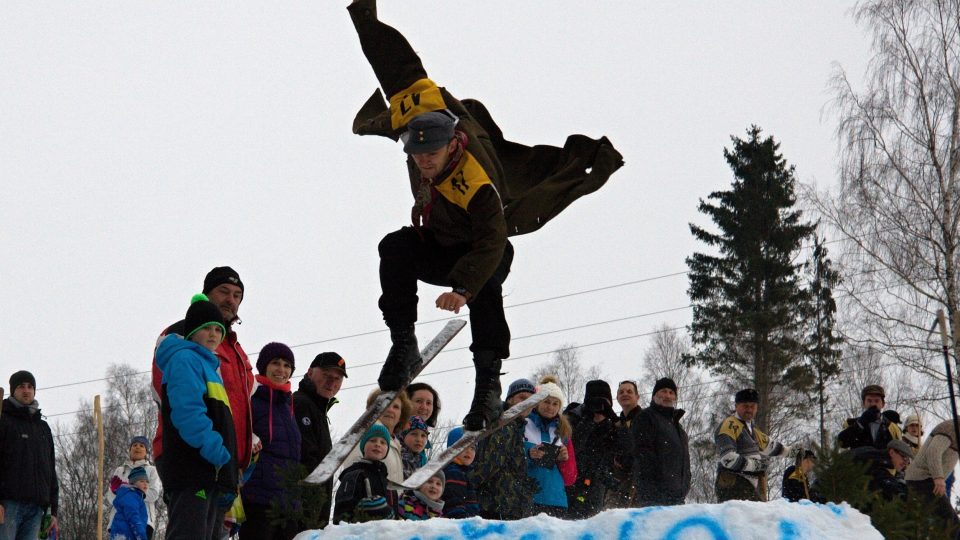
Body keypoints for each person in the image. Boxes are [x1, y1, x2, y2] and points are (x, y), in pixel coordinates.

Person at [347, 0, 623, 432]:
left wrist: (463, 289)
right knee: (394, 247)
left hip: (484, 251)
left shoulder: (476, 183)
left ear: (452, 146)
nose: (423, 163)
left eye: (431, 156)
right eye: (416, 155)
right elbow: (397, 64)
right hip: (438, 244)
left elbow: (492, 241)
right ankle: (403, 343)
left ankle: (487, 384)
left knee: (488, 283)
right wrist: (364, 19)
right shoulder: (417, 113)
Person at [151, 267, 256, 491]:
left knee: (216, 526)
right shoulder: (182, 335)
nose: (230, 300)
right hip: (192, 454)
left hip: (227, 460)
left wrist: (249, 443)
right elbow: (172, 394)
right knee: (192, 524)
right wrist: (207, 443)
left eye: (237, 296)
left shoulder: (236, 349)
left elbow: (245, 402)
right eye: (224, 292)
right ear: (207, 293)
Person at [155, 294, 238, 539]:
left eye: (217, 329)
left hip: (209, 472)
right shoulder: (185, 359)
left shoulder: (210, 367)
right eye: (206, 328)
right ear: (192, 332)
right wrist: (216, 449)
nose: (213, 334)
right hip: (193, 468)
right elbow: (187, 411)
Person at [240, 343, 301, 540]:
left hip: (288, 502)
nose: (281, 370)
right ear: (264, 366)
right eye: (276, 363)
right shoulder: (252, 398)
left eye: (287, 365)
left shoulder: (288, 405)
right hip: (258, 498)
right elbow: (237, 433)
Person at [0, 370, 59, 539]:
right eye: (21, 387)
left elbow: (50, 469)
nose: (26, 390)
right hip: (8, 505)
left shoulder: (43, 428)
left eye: (30, 387)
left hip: (36, 508)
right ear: (13, 391)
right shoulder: (4, 421)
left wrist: (53, 509)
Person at [292, 351, 346, 529]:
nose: (332, 382)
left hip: (315, 510)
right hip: (299, 509)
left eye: (337, 378)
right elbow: (306, 459)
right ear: (309, 372)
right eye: (326, 375)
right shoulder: (301, 403)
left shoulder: (317, 408)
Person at [473, 378, 539, 520]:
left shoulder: (517, 426)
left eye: (531, 400)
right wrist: (471, 483)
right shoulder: (505, 425)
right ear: (510, 400)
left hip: (508, 505)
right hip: (498, 506)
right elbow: (491, 464)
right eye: (522, 398)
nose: (526, 403)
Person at [565, 380, 632, 519]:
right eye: (596, 403)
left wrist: (614, 419)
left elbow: (628, 450)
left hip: (596, 489)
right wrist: (589, 420)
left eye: (604, 404)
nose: (600, 409)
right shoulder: (573, 418)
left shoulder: (610, 426)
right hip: (570, 487)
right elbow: (573, 447)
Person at [714, 388, 792, 502]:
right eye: (745, 406)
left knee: (756, 517)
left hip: (747, 484)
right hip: (732, 482)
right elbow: (728, 458)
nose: (749, 410)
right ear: (736, 406)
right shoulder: (730, 425)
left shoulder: (751, 430)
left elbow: (771, 446)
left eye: (753, 406)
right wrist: (755, 466)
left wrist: (795, 453)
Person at [632, 378, 691, 507]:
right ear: (654, 396)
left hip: (677, 498)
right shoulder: (646, 418)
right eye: (663, 391)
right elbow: (643, 457)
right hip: (654, 498)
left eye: (671, 392)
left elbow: (684, 461)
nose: (667, 395)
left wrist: (685, 485)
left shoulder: (678, 428)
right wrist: (652, 491)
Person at [524, 377, 577, 517]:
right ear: (536, 403)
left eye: (555, 404)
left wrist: (563, 460)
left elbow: (570, 478)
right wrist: (529, 453)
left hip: (557, 501)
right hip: (526, 498)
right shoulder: (522, 424)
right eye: (546, 401)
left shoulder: (563, 432)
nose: (550, 407)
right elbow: (509, 460)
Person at [341, 389, 412, 485]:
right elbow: (353, 478)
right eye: (385, 404)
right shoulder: (363, 435)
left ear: (401, 414)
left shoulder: (396, 443)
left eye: (396, 407)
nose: (390, 409)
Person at [333, 424, 396, 524]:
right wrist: (364, 515)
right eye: (372, 440)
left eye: (383, 442)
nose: (378, 444)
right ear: (363, 445)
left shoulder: (389, 484)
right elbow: (341, 516)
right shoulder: (353, 476)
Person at [904, 418, 960, 532]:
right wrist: (938, 478)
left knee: (947, 523)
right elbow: (933, 451)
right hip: (922, 479)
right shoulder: (951, 428)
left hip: (929, 481)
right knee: (950, 523)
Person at [105, 437, 161, 540]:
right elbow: (110, 496)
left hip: (143, 521)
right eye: (134, 445)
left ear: (146, 451)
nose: (137, 448)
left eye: (141, 446)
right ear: (130, 450)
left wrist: (127, 493)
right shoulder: (120, 470)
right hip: (119, 521)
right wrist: (116, 492)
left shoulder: (151, 470)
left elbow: (154, 493)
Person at [606, 380, 641, 508]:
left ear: (637, 397)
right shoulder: (616, 425)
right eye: (621, 392)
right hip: (620, 482)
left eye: (629, 391)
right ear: (617, 398)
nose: (625, 394)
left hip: (640, 482)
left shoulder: (646, 421)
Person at [838, 384, 902, 451]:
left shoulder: (892, 427)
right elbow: (841, 443)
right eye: (869, 401)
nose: (873, 404)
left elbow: (899, 452)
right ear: (864, 403)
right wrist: (861, 423)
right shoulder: (852, 423)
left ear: (883, 404)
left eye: (877, 401)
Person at [442, 428, 481, 519]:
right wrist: (463, 520)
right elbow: (454, 503)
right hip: (459, 523)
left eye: (472, 448)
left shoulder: (465, 472)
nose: (469, 451)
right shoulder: (453, 472)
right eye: (464, 446)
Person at [109, 466, 149, 540]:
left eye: (147, 481)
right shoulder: (131, 496)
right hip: (125, 536)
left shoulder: (135, 496)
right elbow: (134, 518)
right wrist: (142, 536)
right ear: (134, 483)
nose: (145, 484)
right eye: (142, 481)